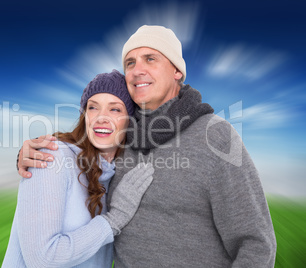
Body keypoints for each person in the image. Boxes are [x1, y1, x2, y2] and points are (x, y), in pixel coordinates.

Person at [17, 25, 277, 267]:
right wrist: (28, 154)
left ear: (177, 71)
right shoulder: (125, 135)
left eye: (150, 59)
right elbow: (83, 155)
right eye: (130, 62)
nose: (137, 69)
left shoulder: (216, 136)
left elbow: (256, 243)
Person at [2, 70, 154, 268]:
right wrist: (113, 220)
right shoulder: (53, 158)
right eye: (93, 108)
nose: (101, 118)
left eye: (115, 109)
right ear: (84, 116)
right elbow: (42, 259)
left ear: (130, 120)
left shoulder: (117, 173)